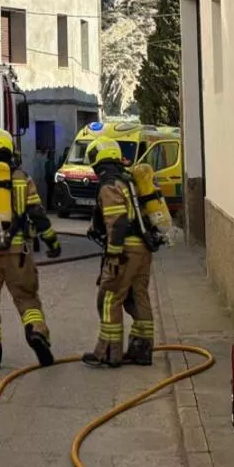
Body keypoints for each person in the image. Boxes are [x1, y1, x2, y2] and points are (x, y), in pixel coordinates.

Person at [0, 128, 62, 369]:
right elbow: (38, 214)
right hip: (18, 252)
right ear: (11, 150)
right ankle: (36, 331)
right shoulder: (23, 179)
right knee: (27, 298)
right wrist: (52, 242)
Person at [83, 138, 155, 368]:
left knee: (109, 297)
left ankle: (108, 353)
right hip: (143, 249)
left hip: (125, 251)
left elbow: (118, 221)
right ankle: (142, 350)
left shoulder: (109, 185)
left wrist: (113, 255)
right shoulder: (129, 180)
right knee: (138, 296)